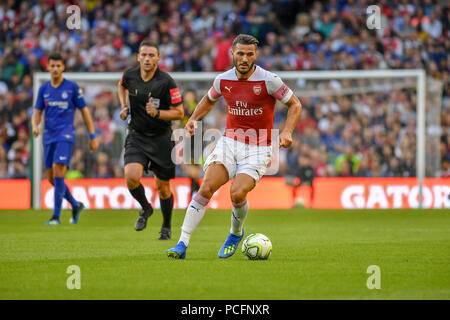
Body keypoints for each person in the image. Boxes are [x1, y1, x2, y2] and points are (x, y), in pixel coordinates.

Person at [167, 34, 302, 259]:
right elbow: (209, 99)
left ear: (255, 55)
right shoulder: (223, 80)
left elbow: (295, 104)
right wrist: (193, 119)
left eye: (249, 54)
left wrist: (287, 131)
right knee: (206, 187)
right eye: (240, 53)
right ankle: (182, 243)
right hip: (230, 142)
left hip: (258, 148)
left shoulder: (270, 80)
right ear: (232, 54)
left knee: (237, 193)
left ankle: (235, 233)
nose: (244, 58)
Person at [117, 41, 184, 240]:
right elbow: (121, 87)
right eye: (144, 55)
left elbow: (179, 112)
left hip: (161, 138)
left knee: (163, 188)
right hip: (137, 135)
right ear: (138, 57)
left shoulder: (167, 82)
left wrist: (158, 113)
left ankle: (166, 226)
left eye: (151, 55)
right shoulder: (129, 75)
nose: (147, 59)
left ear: (158, 58)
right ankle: (146, 208)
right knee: (131, 176)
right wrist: (124, 107)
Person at [31, 52, 99, 226]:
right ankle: (75, 205)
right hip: (48, 136)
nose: (55, 69)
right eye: (52, 65)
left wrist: (92, 136)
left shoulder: (72, 88)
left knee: (58, 170)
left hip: (66, 134)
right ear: (47, 67)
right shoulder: (44, 89)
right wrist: (35, 125)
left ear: (63, 67)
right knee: (51, 178)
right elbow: (37, 112)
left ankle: (56, 216)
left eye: (58, 66)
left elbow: (84, 111)